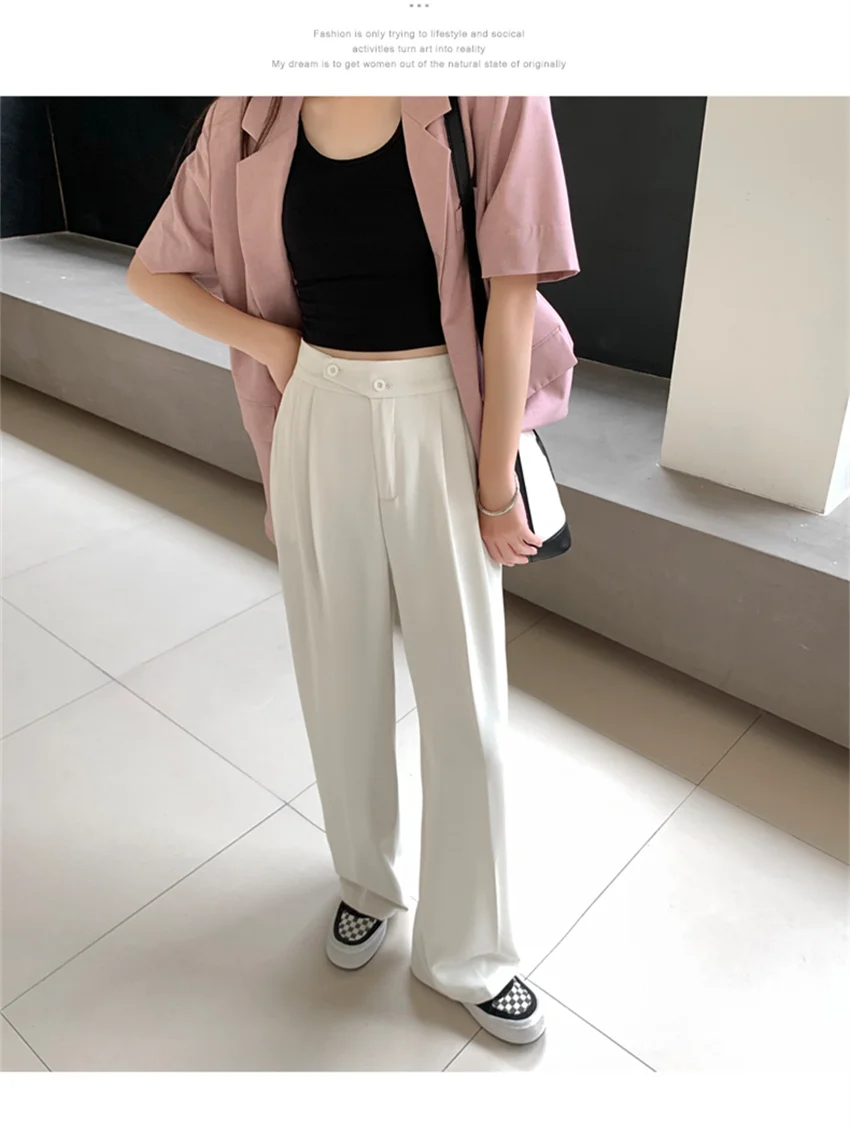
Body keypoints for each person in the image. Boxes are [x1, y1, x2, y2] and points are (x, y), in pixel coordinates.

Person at [127, 96, 578, 1046]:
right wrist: (274, 345)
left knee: (466, 701)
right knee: (337, 678)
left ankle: (470, 949)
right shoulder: (251, 108)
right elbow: (153, 270)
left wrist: (495, 482)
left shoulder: (487, 85)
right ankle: (366, 881)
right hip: (317, 410)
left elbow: (513, 291)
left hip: (444, 414)